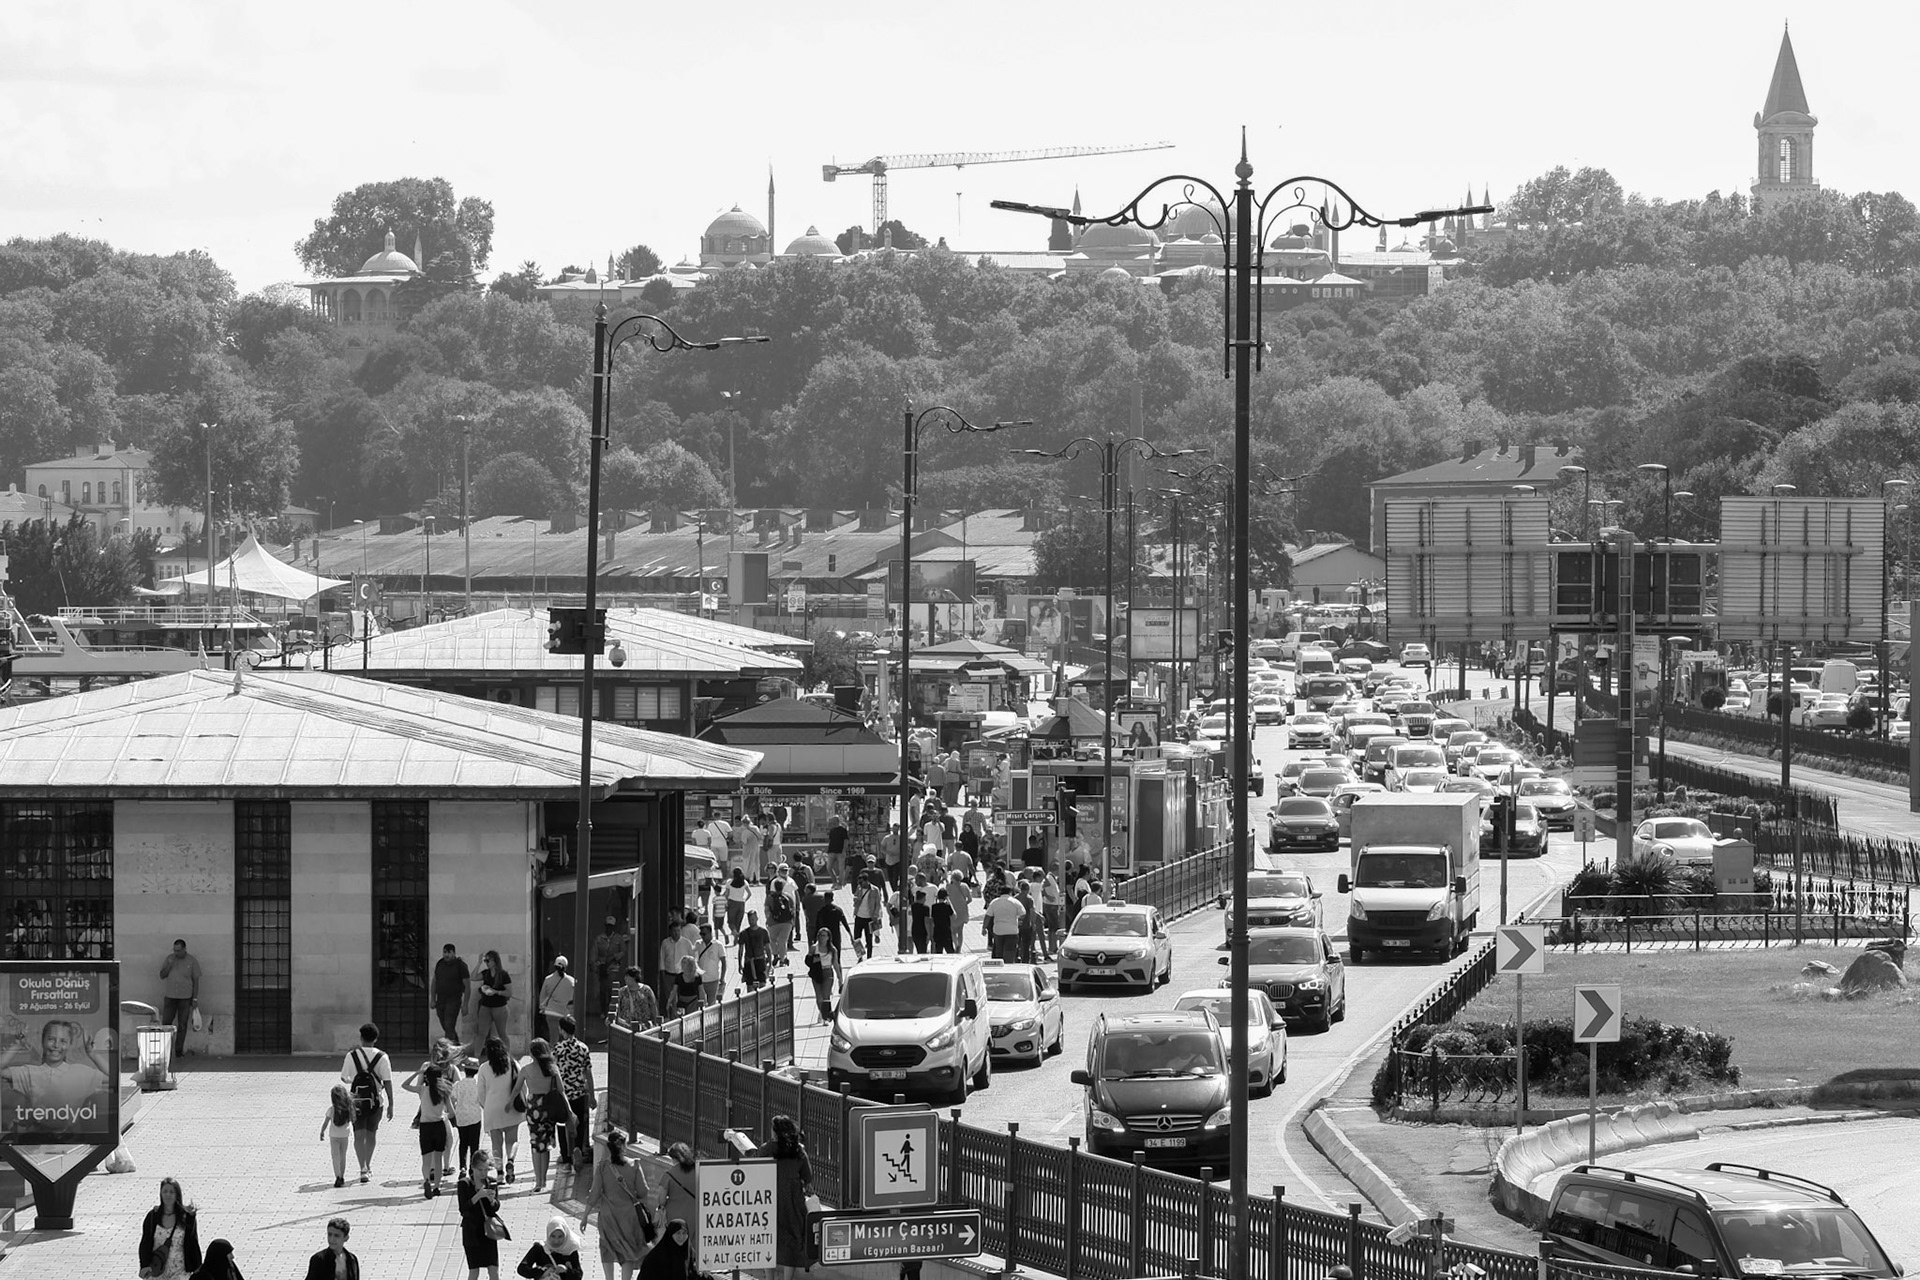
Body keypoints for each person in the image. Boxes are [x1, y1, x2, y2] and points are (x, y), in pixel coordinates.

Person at [0, 1017, 108, 1136]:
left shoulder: (80, 1072)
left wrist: (92, 1054)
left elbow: (112, 1077)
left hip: (72, 1139)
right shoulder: (30, 1072)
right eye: (51, 1039)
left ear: (70, 1044)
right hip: (36, 1138)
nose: (56, 1045)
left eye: (63, 1041)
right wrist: (17, 1046)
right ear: (43, 1041)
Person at [579, 1127, 651, 1280]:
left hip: (608, 1216)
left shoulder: (603, 1166)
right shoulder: (634, 1165)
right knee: (628, 1251)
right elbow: (643, 1191)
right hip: (629, 1217)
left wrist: (585, 1216)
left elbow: (594, 1194)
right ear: (624, 1145)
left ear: (608, 1147)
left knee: (607, 1248)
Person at [755, 1115, 815, 1280]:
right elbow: (807, 1176)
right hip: (793, 1202)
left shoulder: (766, 1149)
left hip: (770, 1200)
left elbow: (756, 1172)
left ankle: (769, 1277)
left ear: (775, 1132)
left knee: (768, 1240)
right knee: (792, 1242)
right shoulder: (798, 1150)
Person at [339, 1023, 392, 1184]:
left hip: (356, 1101)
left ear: (361, 1038)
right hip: (376, 1101)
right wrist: (391, 1104)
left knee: (358, 1134)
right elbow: (387, 1081)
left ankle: (362, 1167)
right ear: (376, 1039)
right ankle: (368, 1166)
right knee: (371, 1134)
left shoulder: (351, 1055)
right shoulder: (382, 1056)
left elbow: (344, 1078)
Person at [402, 1056, 453, 1198]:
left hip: (425, 1127)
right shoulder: (444, 1092)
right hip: (439, 1126)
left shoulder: (422, 1090)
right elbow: (452, 1112)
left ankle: (426, 1180)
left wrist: (418, 1073)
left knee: (426, 1159)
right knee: (438, 1159)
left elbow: (404, 1085)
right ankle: (436, 1187)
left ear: (427, 1078)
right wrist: (443, 1116)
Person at [551, 1015, 597, 1173]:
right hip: (579, 1092)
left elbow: (552, 1072)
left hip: (562, 1093)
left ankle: (566, 1157)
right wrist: (592, 1095)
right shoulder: (583, 1048)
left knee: (562, 1123)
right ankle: (578, 1147)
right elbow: (588, 1073)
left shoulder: (557, 1049)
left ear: (562, 1030)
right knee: (579, 1123)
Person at [519, 1037, 566, 1189]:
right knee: (545, 1145)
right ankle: (544, 1180)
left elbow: (517, 1089)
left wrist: (510, 1103)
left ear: (532, 1053)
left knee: (535, 1144)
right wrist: (569, 1110)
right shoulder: (552, 1069)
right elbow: (561, 1090)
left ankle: (538, 1180)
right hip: (548, 1108)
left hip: (533, 1109)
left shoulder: (525, 1069)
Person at [138, 1176, 202, 1280]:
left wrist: (197, 1268)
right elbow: (145, 1242)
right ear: (160, 1194)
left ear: (177, 1194)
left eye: (172, 1192)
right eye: (165, 1191)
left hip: (180, 1271)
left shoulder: (186, 1217)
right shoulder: (153, 1217)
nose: (168, 1195)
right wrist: (144, 1265)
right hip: (157, 1270)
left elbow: (193, 1243)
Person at [477, 1034, 522, 1182]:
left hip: (492, 1109)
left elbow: (481, 1093)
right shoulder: (513, 1064)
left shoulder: (484, 1068)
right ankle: (511, 1160)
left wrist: (485, 1106)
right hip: (511, 1107)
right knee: (512, 1140)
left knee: (496, 1144)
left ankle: (500, 1173)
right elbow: (522, 1085)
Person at [457, 1150, 504, 1280]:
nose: (483, 1173)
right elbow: (463, 1209)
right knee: (474, 1271)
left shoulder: (491, 1182)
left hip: (488, 1231)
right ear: (472, 1168)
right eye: (480, 1170)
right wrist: (478, 1196)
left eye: (486, 1170)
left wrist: (492, 1200)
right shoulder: (464, 1184)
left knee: (493, 1270)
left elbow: (495, 1207)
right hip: (472, 1232)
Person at [158, 938, 202, 1060]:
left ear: (184, 949)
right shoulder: (169, 958)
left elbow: (196, 980)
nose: (176, 953)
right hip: (170, 996)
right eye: (175, 950)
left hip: (185, 997)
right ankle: (165, 1050)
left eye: (178, 950)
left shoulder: (191, 961)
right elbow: (162, 975)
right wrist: (169, 965)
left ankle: (178, 1050)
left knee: (182, 1024)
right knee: (166, 1023)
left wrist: (195, 998)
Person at [653, 1143, 698, 1258]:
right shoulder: (698, 1171)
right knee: (692, 1245)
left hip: (675, 1216)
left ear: (674, 1158)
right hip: (696, 1214)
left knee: (676, 1245)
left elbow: (661, 1199)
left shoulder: (669, 1174)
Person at [449, 1054, 485, 1176]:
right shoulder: (478, 1085)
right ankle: (472, 1168)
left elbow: (452, 1098)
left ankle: (462, 1167)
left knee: (463, 1143)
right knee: (475, 1145)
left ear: (464, 1070)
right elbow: (482, 1101)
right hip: (475, 1117)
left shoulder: (458, 1084)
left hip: (461, 1117)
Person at [517, 1217, 585, 1280]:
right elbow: (522, 1269)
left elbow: (578, 1275)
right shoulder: (540, 1248)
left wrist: (566, 1270)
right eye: (553, 1236)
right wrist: (543, 1271)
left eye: (560, 1237)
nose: (556, 1241)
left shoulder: (570, 1250)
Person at [473, 951, 513, 1054]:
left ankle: (507, 1056)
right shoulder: (486, 973)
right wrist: (479, 963)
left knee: (502, 1033)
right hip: (485, 1006)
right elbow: (473, 977)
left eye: (488, 960)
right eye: (485, 961)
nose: (486, 963)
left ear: (495, 961)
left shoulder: (503, 974)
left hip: (499, 1007)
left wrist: (496, 992)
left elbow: (509, 992)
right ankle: (476, 1057)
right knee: (481, 1033)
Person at [433, 944, 472, 1044]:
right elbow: (434, 981)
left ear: (454, 953)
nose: (446, 955)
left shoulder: (460, 966)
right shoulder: (440, 964)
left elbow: (467, 986)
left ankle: (449, 1049)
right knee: (446, 1026)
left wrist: (465, 1004)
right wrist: (432, 999)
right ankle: (457, 1047)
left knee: (449, 1024)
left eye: (449, 952)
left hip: (454, 999)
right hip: (441, 999)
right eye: (445, 952)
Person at [319, 1083, 354, 1188]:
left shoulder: (331, 1109)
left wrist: (322, 1131)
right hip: (345, 1135)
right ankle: (342, 1176)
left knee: (335, 1157)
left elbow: (326, 1122)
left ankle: (337, 1176)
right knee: (343, 1156)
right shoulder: (348, 1108)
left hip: (334, 1136)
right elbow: (353, 1120)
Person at [534, 956, 575, 1045]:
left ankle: (553, 1052)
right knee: (567, 1039)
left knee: (554, 1038)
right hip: (565, 1013)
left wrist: (543, 1007)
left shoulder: (548, 979)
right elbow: (572, 998)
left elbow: (542, 997)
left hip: (551, 1012)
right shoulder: (571, 981)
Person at [984, 886, 1025, 962]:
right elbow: (1023, 913)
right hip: (1012, 930)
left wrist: (984, 928)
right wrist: (1018, 920)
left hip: (998, 930)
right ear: (1010, 892)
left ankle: (1000, 964)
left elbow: (988, 916)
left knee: (999, 950)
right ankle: (1008, 964)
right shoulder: (1015, 902)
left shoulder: (994, 902)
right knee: (1010, 950)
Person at [764, 871, 797, 964]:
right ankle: (782, 960)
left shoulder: (770, 897)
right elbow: (793, 910)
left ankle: (775, 954)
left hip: (773, 922)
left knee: (772, 939)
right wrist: (793, 922)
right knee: (783, 941)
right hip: (787, 922)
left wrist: (768, 920)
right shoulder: (788, 897)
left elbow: (767, 910)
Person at [656, 910, 689, 1004]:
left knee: (682, 997)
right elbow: (662, 959)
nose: (676, 933)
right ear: (670, 932)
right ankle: (672, 1012)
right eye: (674, 931)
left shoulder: (686, 943)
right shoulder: (665, 943)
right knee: (670, 998)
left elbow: (692, 959)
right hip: (669, 975)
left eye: (678, 931)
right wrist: (662, 975)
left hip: (683, 975)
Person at [850, 872, 883, 959]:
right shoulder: (859, 888)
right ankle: (860, 957)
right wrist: (856, 900)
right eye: (859, 883)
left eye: (861, 882)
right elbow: (855, 898)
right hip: (859, 916)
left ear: (866, 881)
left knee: (869, 939)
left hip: (869, 918)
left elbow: (878, 904)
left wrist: (876, 915)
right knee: (856, 938)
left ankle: (869, 957)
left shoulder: (874, 890)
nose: (860, 884)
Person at [737, 909, 772, 990]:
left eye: (753, 919)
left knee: (762, 987)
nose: (751, 921)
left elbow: (768, 948)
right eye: (750, 920)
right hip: (749, 962)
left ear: (757, 918)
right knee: (750, 987)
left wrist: (770, 963)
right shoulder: (744, 933)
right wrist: (740, 963)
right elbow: (741, 950)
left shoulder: (763, 932)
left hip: (760, 961)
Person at [693, 922, 727, 1004]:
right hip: (700, 980)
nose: (702, 936)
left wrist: (722, 978)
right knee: (700, 1002)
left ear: (710, 933)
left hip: (713, 979)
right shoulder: (698, 944)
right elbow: (694, 959)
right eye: (701, 934)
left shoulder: (718, 945)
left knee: (711, 1003)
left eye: (704, 934)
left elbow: (724, 962)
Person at [804, 941, 834, 1022]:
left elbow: (836, 963)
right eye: (820, 936)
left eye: (824, 936)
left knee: (826, 996)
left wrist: (840, 978)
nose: (822, 938)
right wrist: (813, 959)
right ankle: (822, 1013)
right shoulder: (814, 948)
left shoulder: (832, 949)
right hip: (817, 972)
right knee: (819, 996)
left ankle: (825, 1017)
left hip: (828, 971)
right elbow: (807, 961)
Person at [1039, 870, 1063, 960]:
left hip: (1054, 904)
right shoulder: (1048, 877)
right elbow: (1042, 888)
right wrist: (1048, 896)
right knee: (1054, 926)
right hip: (1050, 904)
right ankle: (1052, 947)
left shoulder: (1052, 878)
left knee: (1053, 926)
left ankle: (1053, 946)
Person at [947, 872, 974, 951]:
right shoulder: (965, 886)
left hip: (952, 910)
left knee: (953, 931)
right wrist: (963, 903)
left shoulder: (949, 886)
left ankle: (956, 945)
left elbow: (946, 897)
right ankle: (959, 947)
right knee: (960, 931)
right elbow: (970, 899)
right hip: (962, 910)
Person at [723, 867, 751, 942]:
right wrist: (744, 900)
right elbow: (749, 893)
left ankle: (735, 933)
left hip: (732, 902)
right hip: (741, 904)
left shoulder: (729, 882)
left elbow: (726, 894)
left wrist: (724, 902)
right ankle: (736, 938)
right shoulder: (744, 882)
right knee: (738, 922)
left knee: (731, 922)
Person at [930, 887, 955, 953]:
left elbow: (932, 919)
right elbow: (954, 916)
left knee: (938, 950)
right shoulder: (947, 906)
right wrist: (950, 903)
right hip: (946, 930)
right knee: (950, 950)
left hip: (937, 930)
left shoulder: (934, 907)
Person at [825, 814, 849, 880]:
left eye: (833, 821)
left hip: (840, 851)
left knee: (841, 868)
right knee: (829, 867)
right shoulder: (832, 830)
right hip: (831, 851)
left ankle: (840, 883)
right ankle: (834, 881)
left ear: (837, 821)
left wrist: (844, 850)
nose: (832, 822)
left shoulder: (843, 830)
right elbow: (830, 841)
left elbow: (846, 840)